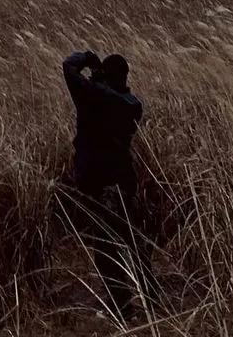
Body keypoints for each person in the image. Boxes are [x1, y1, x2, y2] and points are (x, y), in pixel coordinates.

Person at [60, 49, 160, 323]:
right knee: (132, 240)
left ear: (105, 75)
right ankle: (152, 296)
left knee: (105, 247)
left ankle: (122, 305)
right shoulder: (131, 104)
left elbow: (68, 67)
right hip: (123, 181)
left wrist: (87, 58)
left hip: (98, 183)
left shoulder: (92, 96)